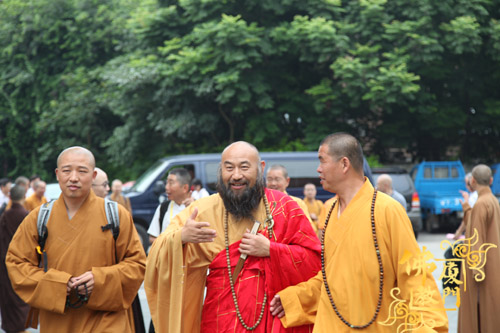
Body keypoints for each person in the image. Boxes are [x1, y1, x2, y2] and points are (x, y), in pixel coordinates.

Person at [270, 132, 448, 332]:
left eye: (322, 161)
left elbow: (414, 275)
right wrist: (295, 298)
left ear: (344, 164)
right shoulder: (328, 210)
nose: (318, 169)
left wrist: (428, 326)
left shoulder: (387, 210)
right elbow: (330, 279)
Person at [145, 141, 321, 332]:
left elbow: (314, 261)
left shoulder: (286, 208)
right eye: (229, 168)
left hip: (272, 321)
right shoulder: (203, 210)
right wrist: (181, 238)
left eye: (244, 167)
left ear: (260, 168)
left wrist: (271, 250)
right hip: (220, 320)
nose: (236, 176)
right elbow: (156, 255)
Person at [5, 146, 146, 332]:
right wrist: (58, 284)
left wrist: (100, 279)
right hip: (58, 320)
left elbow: (137, 264)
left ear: (94, 175)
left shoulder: (116, 214)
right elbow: (16, 263)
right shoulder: (39, 217)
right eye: (66, 170)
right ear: (57, 174)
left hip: (106, 319)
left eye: (82, 171)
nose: (73, 177)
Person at [458, 164, 500, 333]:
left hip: (482, 270)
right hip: (492, 265)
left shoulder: (482, 204)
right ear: (490, 180)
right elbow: (477, 227)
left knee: (480, 314)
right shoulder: (492, 200)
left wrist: (476, 272)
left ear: (472, 181)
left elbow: (476, 238)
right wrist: (468, 208)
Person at [0, 185, 30, 333]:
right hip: (21, 262)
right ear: (24, 196)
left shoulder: (5, 215)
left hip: (5, 261)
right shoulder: (26, 215)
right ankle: (19, 327)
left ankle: (12, 327)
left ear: (10, 197)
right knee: (19, 297)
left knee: (8, 296)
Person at [147, 168, 193, 245]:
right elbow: (152, 238)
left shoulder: (198, 207)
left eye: (171, 183)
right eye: (166, 183)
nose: (166, 187)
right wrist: (172, 243)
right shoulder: (163, 208)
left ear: (185, 188)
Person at [266, 164, 314, 230]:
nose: (273, 183)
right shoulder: (260, 202)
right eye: (269, 179)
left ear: (287, 181)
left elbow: (308, 229)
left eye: (277, 179)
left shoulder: (297, 203)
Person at [453, 172, 478, 240]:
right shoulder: (475, 195)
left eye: (467, 183)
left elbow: (468, 216)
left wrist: (459, 232)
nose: (467, 186)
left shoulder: (474, 197)